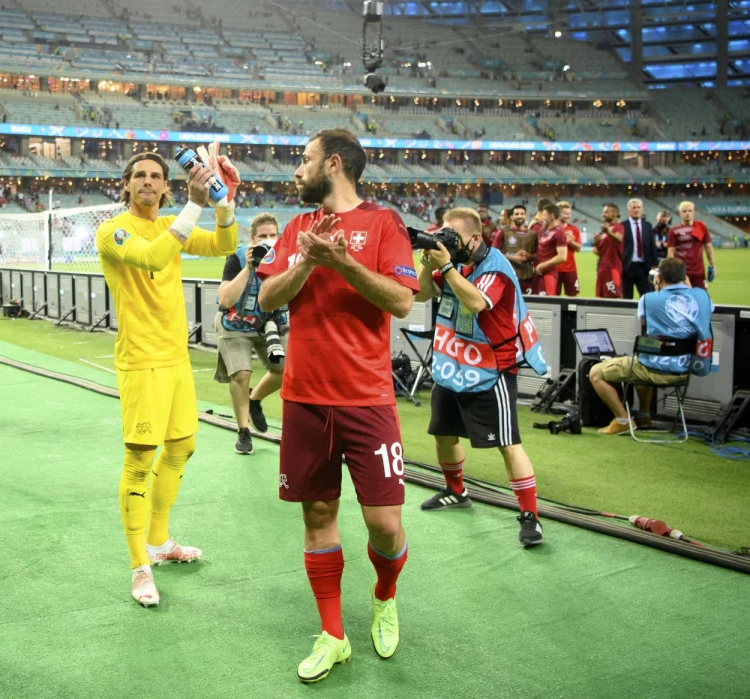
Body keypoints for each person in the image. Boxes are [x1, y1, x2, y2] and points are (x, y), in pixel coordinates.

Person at [257, 128, 417, 684]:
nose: (296, 170)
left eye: (304, 160)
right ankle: (333, 635)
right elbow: (267, 297)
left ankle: (384, 593)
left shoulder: (384, 224)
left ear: (334, 164)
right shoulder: (298, 228)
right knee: (318, 516)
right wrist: (307, 261)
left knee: (385, 525)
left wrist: (343, 262)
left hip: (367, 398)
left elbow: (402, 301)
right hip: (304, 398)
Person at [94, 146, 240, 608]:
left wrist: (225, 202)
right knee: (140, 460)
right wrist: (197, 204)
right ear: (127, 184)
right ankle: (139, 565)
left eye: (156, 176)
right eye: (139, 175)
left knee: (181, 447)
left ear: (165, 185)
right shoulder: (112, 230)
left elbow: (224, 246)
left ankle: (158, 542)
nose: (148, 181)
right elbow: (153, 258)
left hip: (176, 359)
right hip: (140, 360)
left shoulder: (170, 223)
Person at [413, 208, 547, 546]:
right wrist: (428, 263)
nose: (447, 242)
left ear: (475, 238)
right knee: (443, 434)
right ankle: (456, 491)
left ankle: (531, 516)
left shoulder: (496, 267)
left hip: (492, 367)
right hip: (453, 363)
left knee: (507, 444)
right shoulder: (454, 261)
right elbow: (421, 292)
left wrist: (446, 266)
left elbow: (475, 302)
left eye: (453, 237)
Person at [589, 258, 713, 434]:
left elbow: (643, 320)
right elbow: (707, 310)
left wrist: (657, 291)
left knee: (596, 373)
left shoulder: (648, 299)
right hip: (685, 369)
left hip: (655, 369)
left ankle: (623, 420)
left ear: (658, 278)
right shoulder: (702, 296)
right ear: (684, 277)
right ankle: (644, 416)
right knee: (641, 361)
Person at [215, 212, 288, 454]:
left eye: (273, 235)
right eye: (262, 236)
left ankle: (254, 400)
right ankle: (243, 431)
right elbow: (225, 300)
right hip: (235, 324)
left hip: (268, 323)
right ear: (252, 239)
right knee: (242, 373)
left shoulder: (285, 258)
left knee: (285, 370)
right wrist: (248, 267)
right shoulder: (237, 257)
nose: (268, 240)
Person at [667, 201, 715, 289]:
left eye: (690, 211)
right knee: (683, 295)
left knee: (700, 295)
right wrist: (672, 269)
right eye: (684, 211)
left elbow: (708, 246)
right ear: (680, 213)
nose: (687, 213)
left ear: (694, 212)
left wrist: (712, 265)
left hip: (698, 271)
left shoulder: (701, 227)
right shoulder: (674, 231)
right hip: (681, 271)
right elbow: (671, 251)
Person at [621, 198, 658, 299]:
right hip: (627, 267)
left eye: (638, 207)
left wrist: (654, 264)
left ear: (642, 209)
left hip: (644, 267)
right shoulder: (622, 226)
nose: (636, 210)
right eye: (633, 208)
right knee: (626, 298)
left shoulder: (647, 226)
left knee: (647, 296)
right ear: (628, 210)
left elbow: (652, 246)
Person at [498, 205, 537, 295]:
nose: (519, 216)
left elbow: (538, 255)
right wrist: (512, 257)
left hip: (527, 277)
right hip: (508, 277)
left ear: (526, 216)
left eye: (522, 214)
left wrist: (529, 256)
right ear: (511, 217)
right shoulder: (503, 232)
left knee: (528, 302)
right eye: (516, 214)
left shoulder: (533, 235)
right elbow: (494, 253)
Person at [532, 198, 568, 295]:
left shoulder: (559, 233)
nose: (542, 217)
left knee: (545, 302)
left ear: (551, 216)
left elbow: (562, 257)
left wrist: (542, 266)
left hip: (548, 275)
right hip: (539, 273)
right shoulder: (544, 231)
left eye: (544, 215)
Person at [593, 202, 625, 298]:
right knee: (600, 296)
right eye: (604, 212)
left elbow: (619, 239)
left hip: (613, 267)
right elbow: (599, 252)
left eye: (606, 212)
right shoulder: (605, 230)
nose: (603, 214)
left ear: (614, 214)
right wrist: (596, 242)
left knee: (613, 296)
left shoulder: (619, 227)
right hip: (602, 268)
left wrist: (608, 232)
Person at [555, 201, 582, 296]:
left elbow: (578, 248)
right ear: (558, 213)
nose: (569, 216)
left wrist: (571, 242)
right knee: (553, 298)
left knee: (572, 298)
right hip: (554, 269)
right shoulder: (552, 229)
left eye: (569, 213)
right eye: (566, 214)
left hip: (570, 269)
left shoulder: (574, 229)